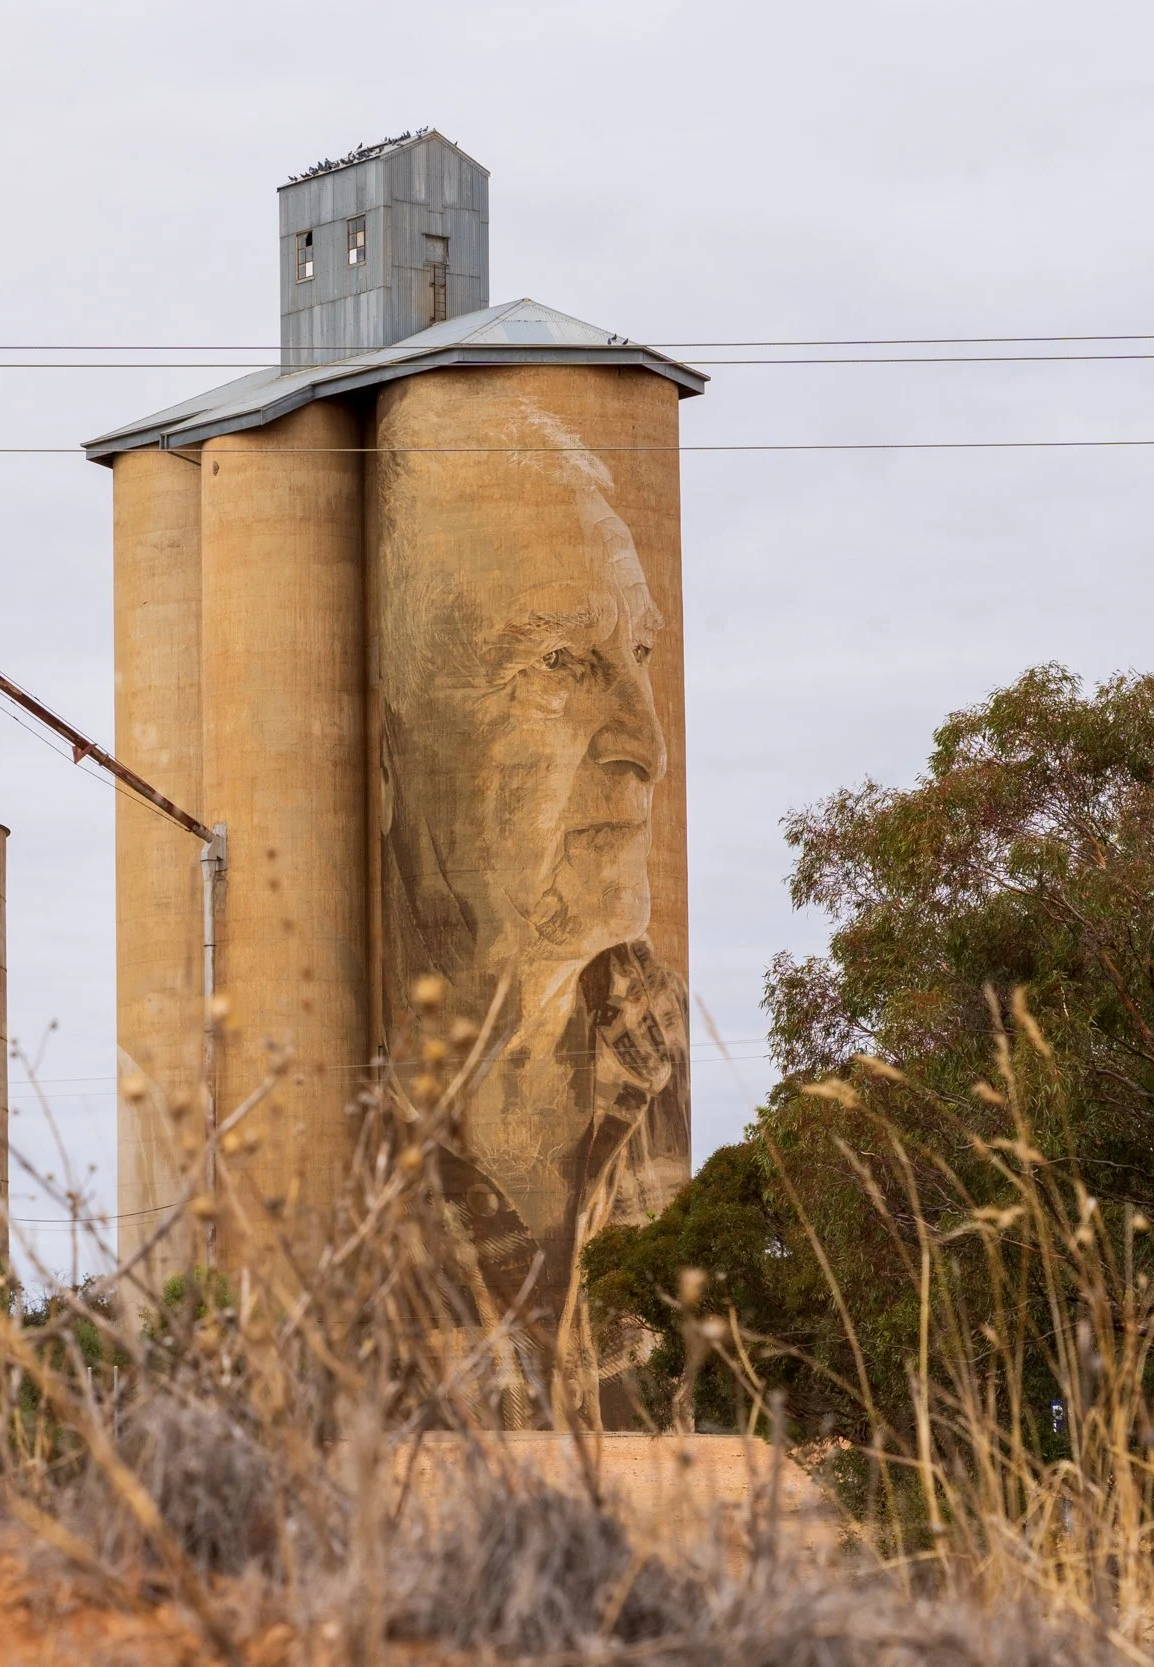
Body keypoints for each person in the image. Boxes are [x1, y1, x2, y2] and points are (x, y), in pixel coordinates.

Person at [375, 388, 691, 1413]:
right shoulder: (308, 1098)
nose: (646, 743)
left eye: (637, 656)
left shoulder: (659, 1039)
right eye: (562, 662)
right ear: (386, 749)